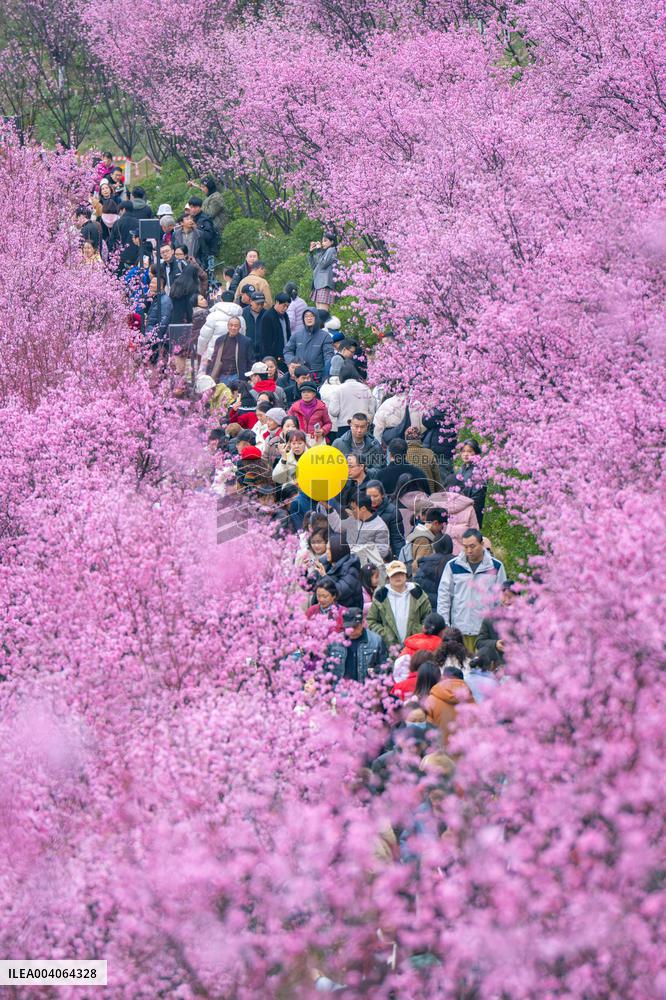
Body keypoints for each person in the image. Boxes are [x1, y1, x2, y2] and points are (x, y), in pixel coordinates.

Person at [436, 529, 507, 653]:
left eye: (472, 546)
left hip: (485, 631)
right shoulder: (453, 566)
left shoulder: (496, 567)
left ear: (482, 544)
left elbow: (501, 599)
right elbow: (444, 597)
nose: (469, 551)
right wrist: (444, 626)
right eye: (465, 547)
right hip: (459, 629)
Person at [367, 560, 432, 650]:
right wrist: (386, 634)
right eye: (394, 574)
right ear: (389, 577)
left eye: (400, 573)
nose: (397, 577)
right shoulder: (381, 596)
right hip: (390, 649)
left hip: (415, 648)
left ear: (405, 575)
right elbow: (371, 621)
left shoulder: (418, 593)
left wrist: (417, 631)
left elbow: (428, 617)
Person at [325, 491, 391, 563]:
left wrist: (362, 555)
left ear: (363, 509)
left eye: (354, 508)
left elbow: (382, 552)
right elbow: (338, 527)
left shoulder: (380, 527)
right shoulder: (353, 519)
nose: (352, 511)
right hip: (348, 562)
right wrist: (329, 509)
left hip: (366, 567)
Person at [327, 607, 387, 683]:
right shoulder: (335, 642)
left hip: (366, 690)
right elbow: (326, 668)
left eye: (354, 627)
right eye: (348, 627)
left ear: (362, 623)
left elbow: (384, 667)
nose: (351, 631)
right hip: (340, 691)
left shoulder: (376, 641)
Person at [425, 667, 474, 746]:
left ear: (442, 678)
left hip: (440, 751)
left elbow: (428, 729)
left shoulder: (431, 700)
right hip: (465, 751)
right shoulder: (471, 700)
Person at [283, 307, 334, 382]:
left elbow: (328, 358)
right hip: (299, 376)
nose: (308, 318)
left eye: (311, 316)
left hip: (317, 376)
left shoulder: (325, 336)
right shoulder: (297, 335)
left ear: (316, 318)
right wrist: (294, 362)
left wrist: (325, 376)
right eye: (306, 316)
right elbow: (287, 350)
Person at [314, 537, 363, 609]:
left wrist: (324, 576)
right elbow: (309, 587)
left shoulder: (351, 570)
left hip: (347, 614)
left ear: (337, 551)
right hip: (324, 611)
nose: (326, 552)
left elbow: (340, 592)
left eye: (329, 549)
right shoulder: (326, 564)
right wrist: (303, 571)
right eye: (326, 549)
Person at [400, 508, 448, 575]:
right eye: (442, 526)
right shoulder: (424, 541)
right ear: (436, 523)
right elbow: (418, 565)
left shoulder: (418, 532)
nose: (442, 529)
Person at [477, 579, 515, 665]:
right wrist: (495, 644)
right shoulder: (490, 617)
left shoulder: (526, 618)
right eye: (504, 596)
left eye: (511, 596)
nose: (507, 600)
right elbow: (479, 642)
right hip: (497, 665)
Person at [413, 534, 454, 609]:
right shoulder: (456, 565)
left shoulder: (424, 566)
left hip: (429, 612)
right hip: (452, 611)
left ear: (434, 546)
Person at [208, 317, 254, 384]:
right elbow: (214, 359)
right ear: (227, 326)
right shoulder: (220, 340)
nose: (233, 328)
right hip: (222, 375)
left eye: (236, 326)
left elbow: (250, 360)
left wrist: (250, 377)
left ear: (239, 327)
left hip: (238, 376)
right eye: (231, 325)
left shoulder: (246, 341)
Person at [364, 480, 404, 557]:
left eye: (375, 496)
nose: (372, 499)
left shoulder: (392, 512)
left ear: (382, 495)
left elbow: (397, 540)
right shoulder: (361, 508)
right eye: (369, 496)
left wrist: (400, 560)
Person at [455, 438, 487, 528]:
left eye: (469, 451)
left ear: (476, 453)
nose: (466, 454)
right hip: (461, 509)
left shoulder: (479, 470)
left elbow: (478, 497)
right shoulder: (463, 468)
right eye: (463, 451)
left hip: (472, 512)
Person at [336, 361, 376, 427]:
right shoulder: (365, 388)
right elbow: (372, 409)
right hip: (362, 425)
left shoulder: (338, 389)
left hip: (343, 424)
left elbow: (334, 411)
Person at [405, 426, 442, 492]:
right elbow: (436, 475)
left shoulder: (403, 454)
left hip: (409, 492)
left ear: (405, 438)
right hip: (428, 491)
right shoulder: (429, 453)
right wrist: (438, 492)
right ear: (420, 437)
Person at [308, 232, 338, 309]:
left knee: (322, 313)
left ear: (332, 242)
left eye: (325, 241)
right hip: (318, 284)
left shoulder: (332, 250)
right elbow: (314, 267)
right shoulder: (323, 252)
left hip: (325, 285)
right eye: (322, 241)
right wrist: (311, 252)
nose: (323, 243)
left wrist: (318, 250)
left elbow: (323, 264)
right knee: (318, 314)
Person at [186, 196, 218, 266]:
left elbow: (208, 236)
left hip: (203, 253)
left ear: (200, 207)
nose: (193, 209)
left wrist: (196, 228)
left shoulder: (205, 220)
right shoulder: (189, 218)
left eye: (195, 207)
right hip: (193, 251)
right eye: (191, 207)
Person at [259, 293, 291, 363]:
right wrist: (271, 358)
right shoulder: (268, 317)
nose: (285, 308)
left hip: (285, 354)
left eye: (287, 306)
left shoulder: (285, 315)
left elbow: (288, 334)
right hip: (273, 357)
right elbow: (266, 342)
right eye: (284, 306)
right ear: (277, 302)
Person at [242, 292, 267, 360]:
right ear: (250, 301)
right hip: (246, 350)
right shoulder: (243, 313)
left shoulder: (267, 314)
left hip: (263, 352)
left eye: (262, 304)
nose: (260, 306)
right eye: (257, 304)